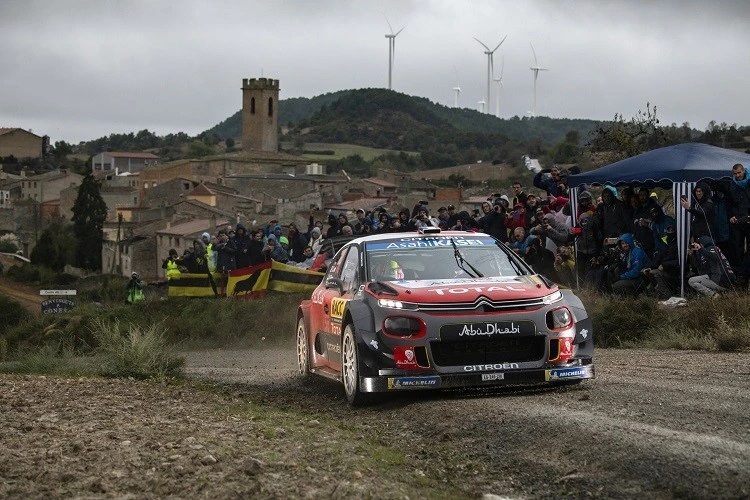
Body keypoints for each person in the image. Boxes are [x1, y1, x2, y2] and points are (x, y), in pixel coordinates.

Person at [729, 163, 750, 281]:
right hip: (738, 220)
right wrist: (732, 215)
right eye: (735, 174)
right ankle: (740, 275)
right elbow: (731, 202)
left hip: (748, 219)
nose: (738, 176)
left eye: (739, 173)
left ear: (743, 171)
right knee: (738, 248)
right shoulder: (733, 185)